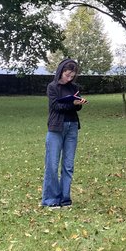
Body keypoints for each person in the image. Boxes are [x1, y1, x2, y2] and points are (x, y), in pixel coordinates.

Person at [42, 59, 87, 208]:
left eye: (72, 76)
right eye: (68, 75)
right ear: (61, 71)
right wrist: (71, 104)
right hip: (56, 127)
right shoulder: (52, 87)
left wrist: (79, 103)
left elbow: (75, 109)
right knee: (52, 165)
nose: (69, 78)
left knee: (68, 165)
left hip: (72, 126)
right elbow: (55, 106)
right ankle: (51, 199)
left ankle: (65, 198)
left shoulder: (74, 87)